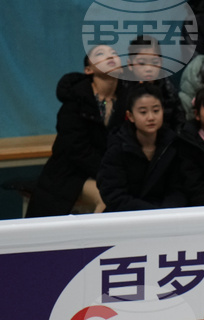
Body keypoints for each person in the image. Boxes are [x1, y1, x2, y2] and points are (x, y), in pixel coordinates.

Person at [26, 45, 126, 217]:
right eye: (100, 54)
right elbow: (76, 149)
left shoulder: (128, 99)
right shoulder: (76, 101)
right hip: (71, 172)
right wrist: (110, 173)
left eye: (114, 53)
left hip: (109, 170)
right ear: (88, 70)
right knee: (108, 196)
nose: (110, 56)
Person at [98, 82, 186, 211]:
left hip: (167, 215)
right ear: (130, 116)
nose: (151, 117)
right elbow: (114, 194)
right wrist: (150, 213)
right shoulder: (118, 146)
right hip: (128, 216)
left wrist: (165, 213)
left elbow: (179, 189)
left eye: (156, 110)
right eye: (143, 112)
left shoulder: (173, 144)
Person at [127, 35, 185, 131]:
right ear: (130, 64)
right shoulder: (123, 88)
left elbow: (179, 121)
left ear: (161, 62)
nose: (149, 69)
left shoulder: (168, 88)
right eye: (141, 63)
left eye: (154, 62)